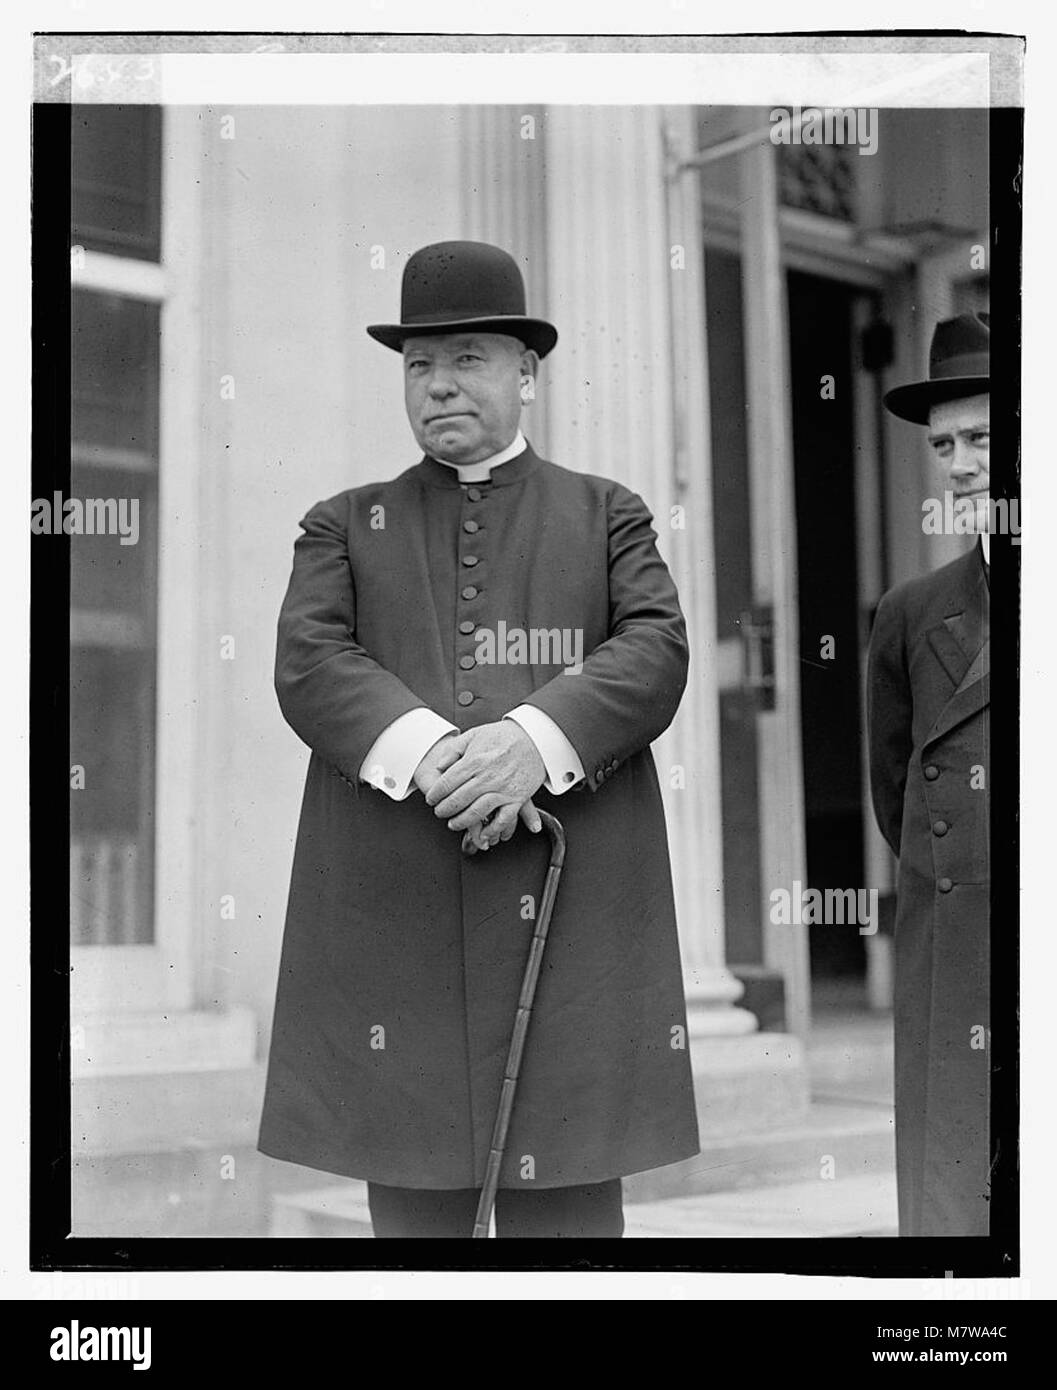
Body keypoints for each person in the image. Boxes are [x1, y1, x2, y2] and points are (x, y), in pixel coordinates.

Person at [257, 240, 700, 1237]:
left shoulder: (607, 514)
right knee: (414, 1234)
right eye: (418, 364)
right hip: (400, 939)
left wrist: (530, 744)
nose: (439, 384)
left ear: (527, 374)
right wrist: (434, 753)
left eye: (468, 357)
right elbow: (308, 658)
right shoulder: (341, 524)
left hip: (570, 928)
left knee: (573, 1234)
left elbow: (656, 648)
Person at [868, 311, 991, 1236]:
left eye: (984, 436)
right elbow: (894, 789)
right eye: (944, 442)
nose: (958, 463)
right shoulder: (914, 612)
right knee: (958, 1203)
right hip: (958, 951)